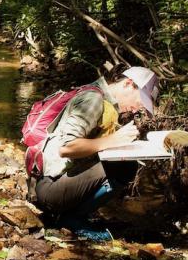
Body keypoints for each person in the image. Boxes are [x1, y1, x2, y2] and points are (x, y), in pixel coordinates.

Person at [32, 66, 160, 238]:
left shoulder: (102, 99)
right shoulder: (93, 100)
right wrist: (114, 140)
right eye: (140, 102)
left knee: (123, 162)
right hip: (50, 189)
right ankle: (71, 219)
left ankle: (72, 215)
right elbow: (67, 148)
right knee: (126, 166)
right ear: (128, 84)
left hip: (52, 184)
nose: (137, 109)